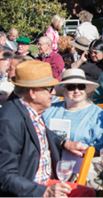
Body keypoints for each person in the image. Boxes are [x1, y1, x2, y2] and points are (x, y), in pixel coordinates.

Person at [0, 60, 95, 198]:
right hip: (29, 189)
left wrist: (64, 143)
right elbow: (4, 174)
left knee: (86, 192)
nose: (54, 92)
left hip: (43, 182)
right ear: (33, 92)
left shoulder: (29, 107)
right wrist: (43, 192)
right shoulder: (9, 122)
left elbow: (41, 131)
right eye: (49, 88)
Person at [43, 69, 103, 151]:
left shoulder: (96, 114)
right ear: (62, 89)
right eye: (71, 87)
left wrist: (83, 151)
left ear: (85, 89)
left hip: (81, 159)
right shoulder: (49, 110)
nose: (76, 91)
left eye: (81, 87)